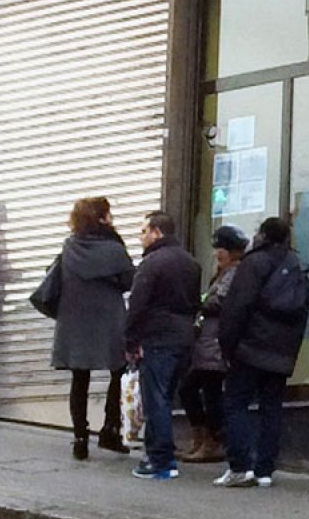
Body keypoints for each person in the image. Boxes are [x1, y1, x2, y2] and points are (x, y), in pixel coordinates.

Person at [214, 218, 309, 490]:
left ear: (264, 236)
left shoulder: (253, 263)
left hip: (249, 348)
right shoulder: (297, 266)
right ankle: (265, 470)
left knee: (235, 403)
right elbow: (303, 313)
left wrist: (228, 345)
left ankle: (240, 466)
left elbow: (236, 308)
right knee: (272, 408)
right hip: (281, 352)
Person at [50, 197, 135, 460]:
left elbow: (55, 275)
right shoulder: (114, 247)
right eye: (108, 214)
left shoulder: (69, 247)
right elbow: (128, 280)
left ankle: (80, 438)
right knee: (118, 372)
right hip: (108, 317)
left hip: (75, 318)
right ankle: (111, 429)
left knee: (80, 378)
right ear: (101, 217)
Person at [126, 211, 202, 481]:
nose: (141, 237)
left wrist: (131, 341)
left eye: (144, 231)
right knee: (166, 398)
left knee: (155, 400)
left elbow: (137, 306)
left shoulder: (152, 263)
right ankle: (161, 458)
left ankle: (160, 460)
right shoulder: (191, 263)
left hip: (157, 338)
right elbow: (195, 304)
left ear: (157, 232)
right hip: (183, 338)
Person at [180, 225, 247, 464]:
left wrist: (197, 303)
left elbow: (220, 301)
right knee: (194, 389)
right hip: (208, 342)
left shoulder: (234, 273)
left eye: (221, 249)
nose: (217, 253)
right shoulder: (222, 273)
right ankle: (202, 437)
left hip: (216, 343)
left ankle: (212, 441)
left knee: (207, 392)